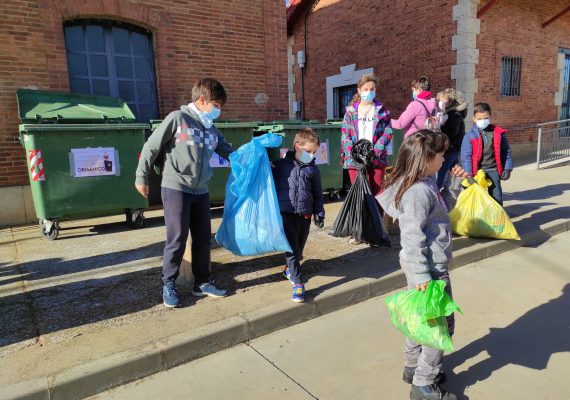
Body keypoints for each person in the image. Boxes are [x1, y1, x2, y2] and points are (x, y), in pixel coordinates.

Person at [377, 130, 469, 400]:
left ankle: (412, 366)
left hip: (424, 268)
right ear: (426, 158)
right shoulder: (417, 192)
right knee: (439, 326)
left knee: (419, 319)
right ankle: (424, 383)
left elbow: (442, 209)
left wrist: (453, 183)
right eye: (441, 156)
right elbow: (412, 236)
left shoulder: (425, 182)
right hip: (428, 270)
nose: (444, 160)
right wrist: (422, 276)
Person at [135, 78, 234, 308]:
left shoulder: (211, 129)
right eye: (216, 105)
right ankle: (168, 283)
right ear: (201, 100)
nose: (218, 110)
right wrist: (141, 176)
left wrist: (254, 161)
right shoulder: (177, 119)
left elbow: (228, 150)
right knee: (177, 238)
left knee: (202, 238)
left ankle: (202, 282)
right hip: (175, 186)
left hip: (201, 190)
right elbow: (151, 146)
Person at [272, 128, 325, 303]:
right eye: (308, 151)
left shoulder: (313, 170)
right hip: (285, 213)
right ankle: (298, 283)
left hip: (305, 215)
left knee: (299, 248)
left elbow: (317, 193)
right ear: (297, 146)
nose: (311, 155)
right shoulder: (279, 166)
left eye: (314, 152)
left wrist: (319, 212)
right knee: (292, 249)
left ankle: (289, 269)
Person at [340, 73, 392, 244]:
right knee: (359, 195)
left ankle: (375, 231)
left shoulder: (383, 111)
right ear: (359, 90)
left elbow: (388, 132)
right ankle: (358, 232)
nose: (369, 92)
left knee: (376, 194)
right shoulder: (350, 112)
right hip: (355, 160)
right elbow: (345, 134)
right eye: (366, 89)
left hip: (376, 159)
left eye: (372, 89)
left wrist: (375, 150)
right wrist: (353, 152)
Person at [460, 102, 513, 205]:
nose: (483, 121)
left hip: (493, 170)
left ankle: (497, 218)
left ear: (490, 117)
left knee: (496, 197)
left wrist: (507, 168)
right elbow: (466, 157)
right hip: (477, 172)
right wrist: (469, 175)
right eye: (479, 119)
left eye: (486, 118)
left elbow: (506, 151)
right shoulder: (469, 136)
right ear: (474, 119)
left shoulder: (498, 133)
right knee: (476, 200)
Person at [435, 88, 468, 189]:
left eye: (443, 100)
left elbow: (452, 132)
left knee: (441, 173)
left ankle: (436, 193)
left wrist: (441, 125)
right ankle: (455, 190)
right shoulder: (450, 113)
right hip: (453, 148)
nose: (440, 102)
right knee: (454, 171)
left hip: (450, 149)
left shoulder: (454, 114)